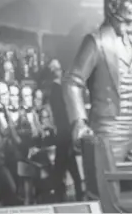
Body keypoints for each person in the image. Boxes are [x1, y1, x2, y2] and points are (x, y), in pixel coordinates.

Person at [63, 0, 132, 212]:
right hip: (107, 132)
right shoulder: (96, 41)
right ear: (113, 5)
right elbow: (72, 82)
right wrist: (78, 122)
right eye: (129, 1)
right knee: (105, 199)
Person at [48, 59, 83, 202]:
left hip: (64, 133)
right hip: (64, 132)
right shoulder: (57, 90)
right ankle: (73, 192)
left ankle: (61, 193)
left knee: (63, 164)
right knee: (65, 164)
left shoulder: (58, 89)